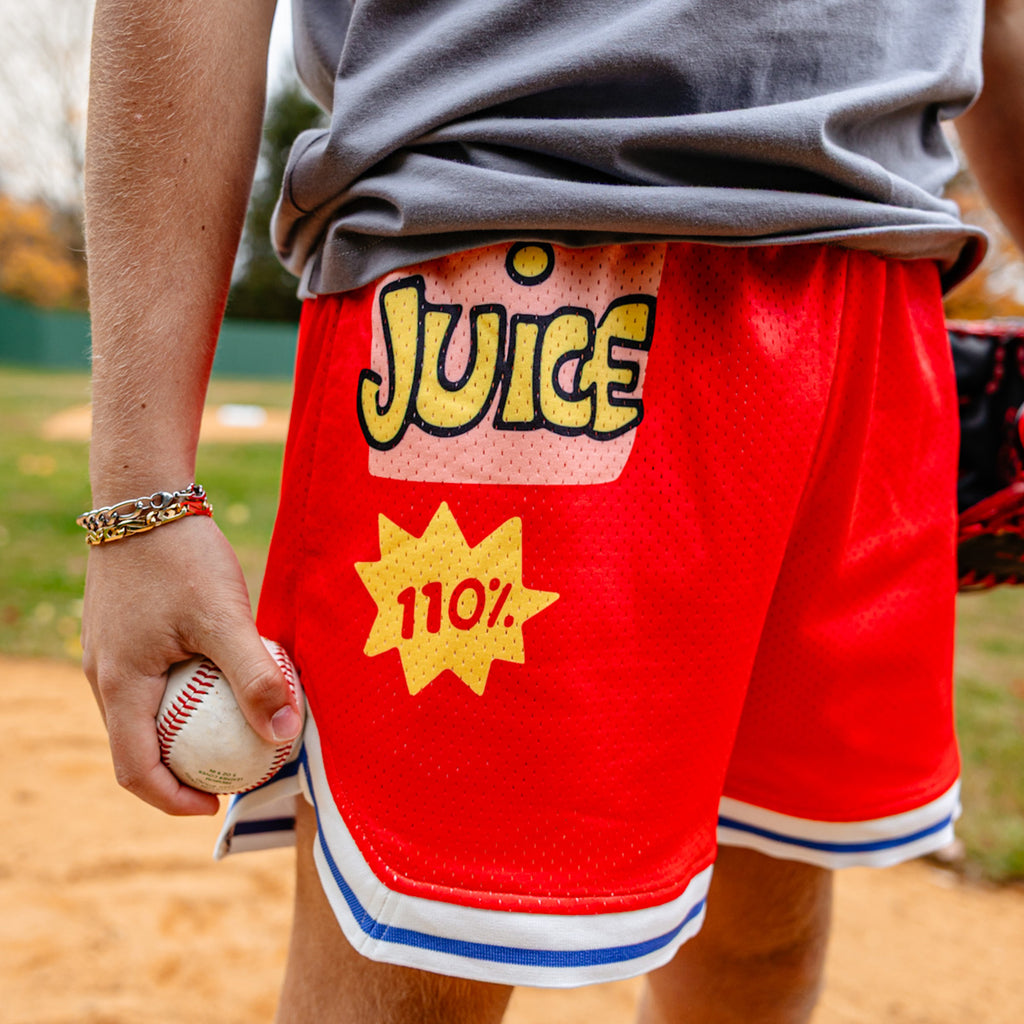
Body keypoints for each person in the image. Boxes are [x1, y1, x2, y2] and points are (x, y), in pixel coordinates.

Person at [81, 1, 1024, 1022]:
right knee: (419, 975)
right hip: (507, 274)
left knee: (764, 944)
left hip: (877, 286)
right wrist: (139, 495)